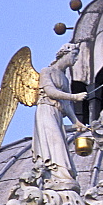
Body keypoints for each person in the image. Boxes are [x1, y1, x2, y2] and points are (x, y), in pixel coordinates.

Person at [33, 43, 86, 185]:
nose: (75, 60)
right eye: (74, 55)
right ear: (65, 54)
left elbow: (66, 104)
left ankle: (63, 174)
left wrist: (76, 122)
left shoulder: (64, 78)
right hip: (46, 110)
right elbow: (50, 92)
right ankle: (58, 174)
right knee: (55, 141)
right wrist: (75, 97)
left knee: (60, 143)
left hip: (57, 112)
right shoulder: (47, 71)